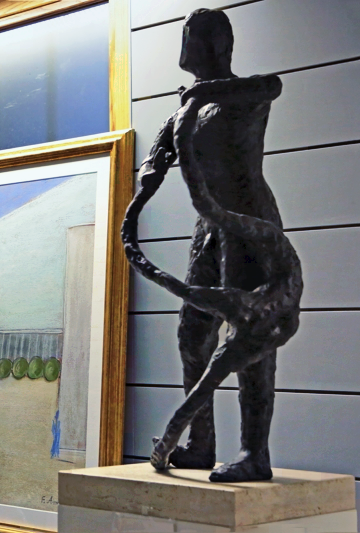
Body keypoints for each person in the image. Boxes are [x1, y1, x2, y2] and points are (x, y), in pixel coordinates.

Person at [122, 9, 301, 482]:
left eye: (191, 39)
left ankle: (253, 453)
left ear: (216, 45)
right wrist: (151, 170)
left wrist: (201, 94)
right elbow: (160, 153)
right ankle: (201, 444)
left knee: (249, 336)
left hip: (248, 224)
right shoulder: (189, 106)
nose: (185, 49)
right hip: (209, 230)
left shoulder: (242, 95)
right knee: (193, 333)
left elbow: (271, 85)